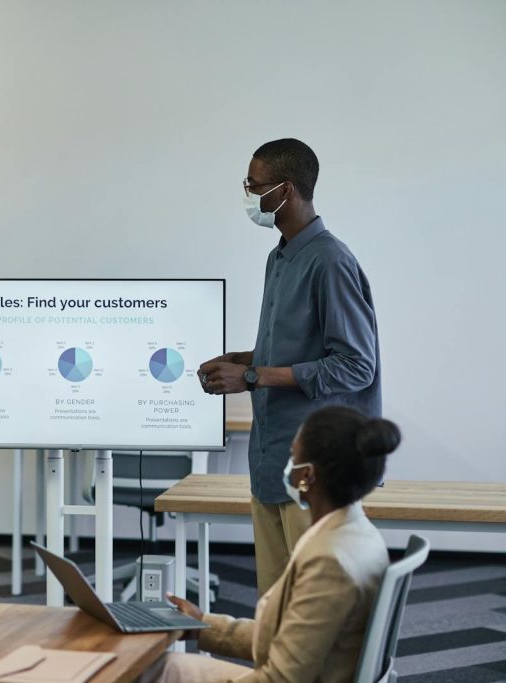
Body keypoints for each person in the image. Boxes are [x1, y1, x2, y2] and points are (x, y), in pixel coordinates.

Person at [199, 138, 381, 595]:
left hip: (313, 469)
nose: (247, 195)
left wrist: (254, 376)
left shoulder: (330, 262)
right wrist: (242, 361)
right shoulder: (279, 258)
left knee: (313, 610)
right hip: (271, 460)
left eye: (253, 186)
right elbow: (294, 351)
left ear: (286, 190)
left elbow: (357, 366)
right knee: (274, 603)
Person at [162, 406, 400, 683]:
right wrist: (202, 625)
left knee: (152, 671)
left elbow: (281, 679)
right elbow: (291, 638)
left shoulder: (328, 562)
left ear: (307, 475)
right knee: (167, 668)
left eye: (292, 455)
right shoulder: (357, 533)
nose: (287, 464)